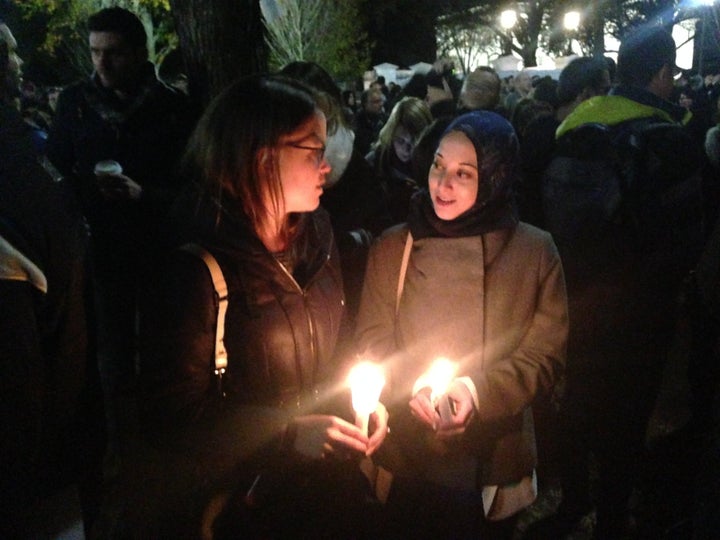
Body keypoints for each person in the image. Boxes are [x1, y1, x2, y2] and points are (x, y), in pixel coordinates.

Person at [133, 74, 389, 538]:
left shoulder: (319, 233)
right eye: (313, 151)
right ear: (263, 158)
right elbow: (170, 415)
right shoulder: (195, 265)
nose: (327, 165)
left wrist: (362, 403)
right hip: (247, 504)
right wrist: (287, 434)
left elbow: (339, 341)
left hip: (324, 494)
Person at [527, 26, 706, 539]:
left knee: (578, 400)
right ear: (662, 74)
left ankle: (572, 499)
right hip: (640, 313)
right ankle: (610, 517)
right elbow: (685, 236)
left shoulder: (575, 128)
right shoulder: (671, 136)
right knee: (627, 420)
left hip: (574, 297)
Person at [355, 110, 569, 539]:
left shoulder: (534, 251)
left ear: (495, 176)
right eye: (437, 165)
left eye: (463, 173)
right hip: (405, 450)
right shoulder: (394, 244)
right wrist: (413, 387)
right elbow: (372, 339)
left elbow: (545, 355)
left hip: (490, 455)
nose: (442, 184)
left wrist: (477, 392)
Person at [46, 7, 197, 466]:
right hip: (99, 247)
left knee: (162, 341)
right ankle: (118, 447)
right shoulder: (74, 104)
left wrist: (142, 193)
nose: (101, 64)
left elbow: (191, 185)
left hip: (157, 244)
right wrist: (85, 193)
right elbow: (57, 169)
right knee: (107, 349)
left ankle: (163, 441)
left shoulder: (171, 108)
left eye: (112, 54)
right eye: (95, 53)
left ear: (137, 53)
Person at [0, 22, 105, 537]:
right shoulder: (25, 161)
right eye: (11, 55)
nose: (19, 65)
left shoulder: (17, 168)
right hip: (55, 454)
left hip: (34, 471)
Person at [519, 56, 611, 227]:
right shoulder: (581, 139)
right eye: (605, 91)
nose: (610, 99)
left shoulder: (538, 130)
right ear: (586, 94)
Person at [366, 96, 433, 224]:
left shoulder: (434, 164)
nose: (406, 149)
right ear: (390, 135)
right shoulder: (375, 164)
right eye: (400, 140)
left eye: (414, 141)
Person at [354, 86, 387, 156]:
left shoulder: (385, 118)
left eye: (381, 101)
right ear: (365, 104)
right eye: (376, 102)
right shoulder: (357, 123)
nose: (381, 104)